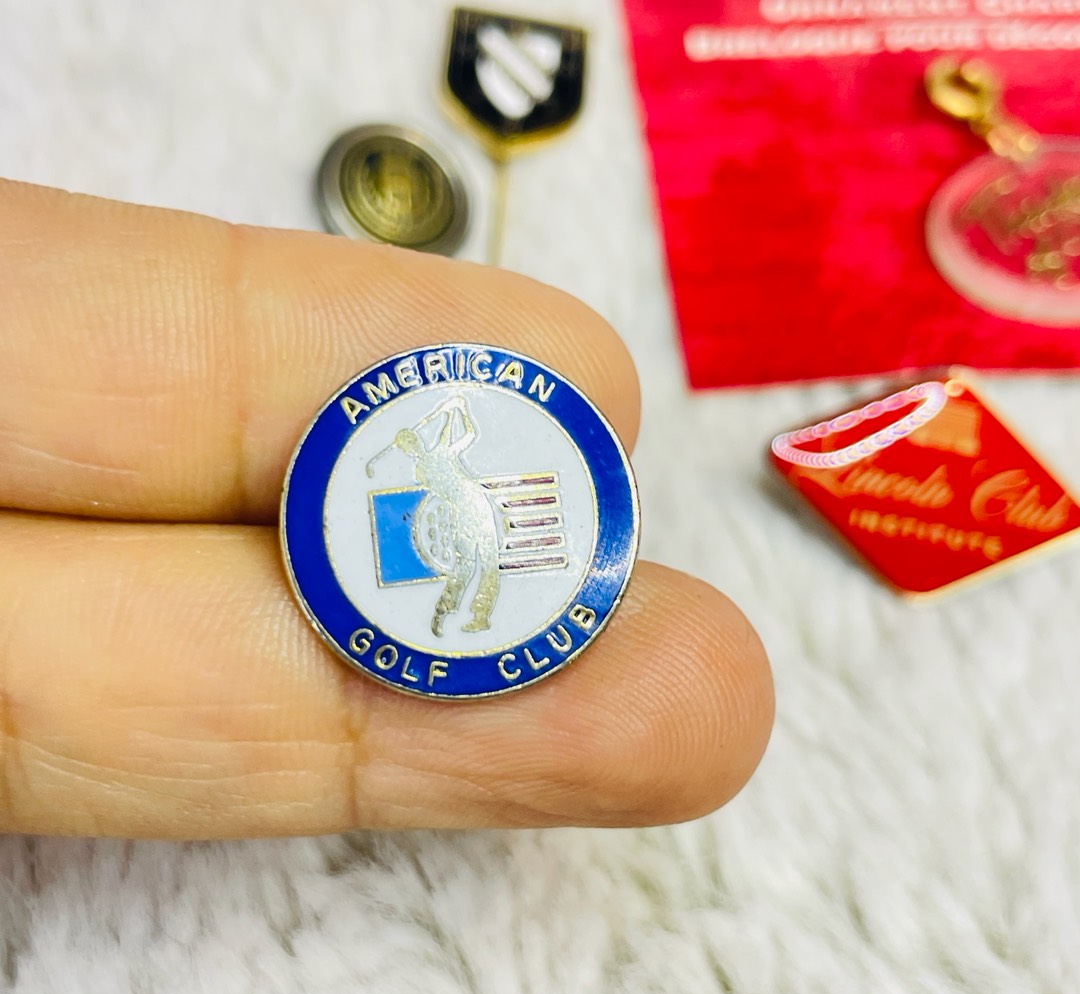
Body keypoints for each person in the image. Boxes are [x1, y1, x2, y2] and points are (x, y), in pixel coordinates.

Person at [0, 178, 774, 839]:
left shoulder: (450, 445)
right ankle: (457, 609)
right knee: (463, 563)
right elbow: (408, 447)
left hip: (458, 505)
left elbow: (454, 429)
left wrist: (433, 434)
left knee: (475, 561)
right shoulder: (420, 449)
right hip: (428, 509)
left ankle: (464, 610)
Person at [384, 396, 501, 637]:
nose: (414, 444)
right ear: (407, 451)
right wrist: (454, 410)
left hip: (478, 505)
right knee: (466, 567)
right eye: (408, 444)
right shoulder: (423, 469)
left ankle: (481, 616)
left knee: (490, 562)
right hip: (463, 514)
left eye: (413, 439)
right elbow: (447, 440)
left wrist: (458, 410)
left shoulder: (437, 455)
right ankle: (442, 611)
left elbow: (468, 435)